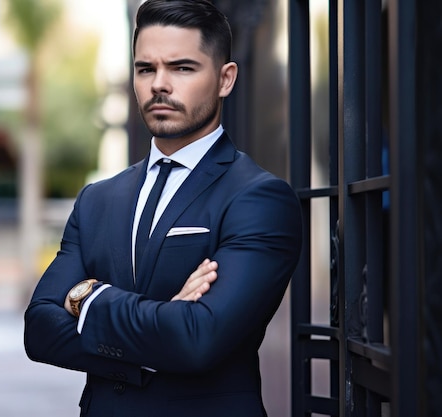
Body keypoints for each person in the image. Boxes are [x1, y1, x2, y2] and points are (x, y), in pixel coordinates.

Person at [24, 0, 302, 415]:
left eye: (182, 68)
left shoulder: (258, 198)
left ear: (225, 79)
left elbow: (199, 338)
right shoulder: (97, 199)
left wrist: (88, 297)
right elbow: (40, 330)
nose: (159, 84)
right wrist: (164, 324)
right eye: (145, 69)